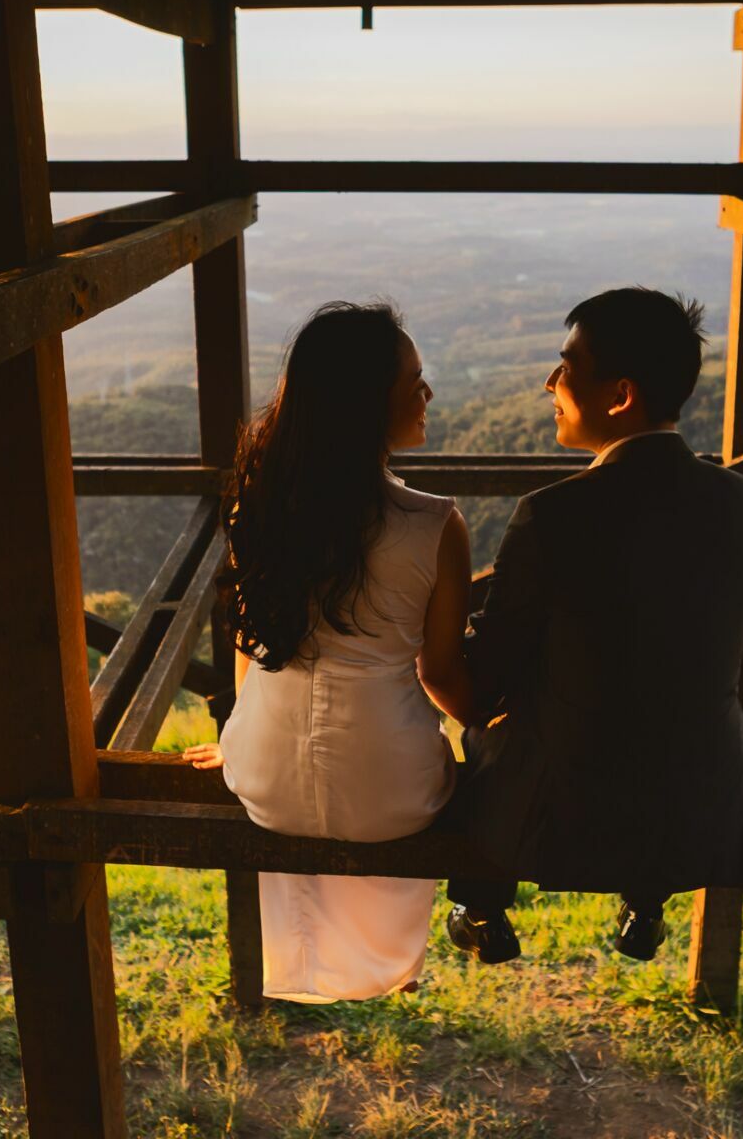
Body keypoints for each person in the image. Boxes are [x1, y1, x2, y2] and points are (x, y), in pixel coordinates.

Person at [445, 287, 743, 964]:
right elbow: (735, 649)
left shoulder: (553, 515)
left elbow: (486, 680)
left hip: (570, 813)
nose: (550, 382)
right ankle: (645, 903)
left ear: (619, 394)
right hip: (713, 801)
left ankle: (480, 906)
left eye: (567, 365)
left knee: (488, 733)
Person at [183, 301, 477, 1002]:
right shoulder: (436, 525)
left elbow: (252, 641)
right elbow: (440, 676)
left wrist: (237, 736)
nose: (426, 393)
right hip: (393, 792)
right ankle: (377, 962)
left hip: (263, 778)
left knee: (309, 778)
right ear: (365, 404)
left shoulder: (254, 503)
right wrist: (497, 727)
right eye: (413, 381)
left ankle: (304, 963)